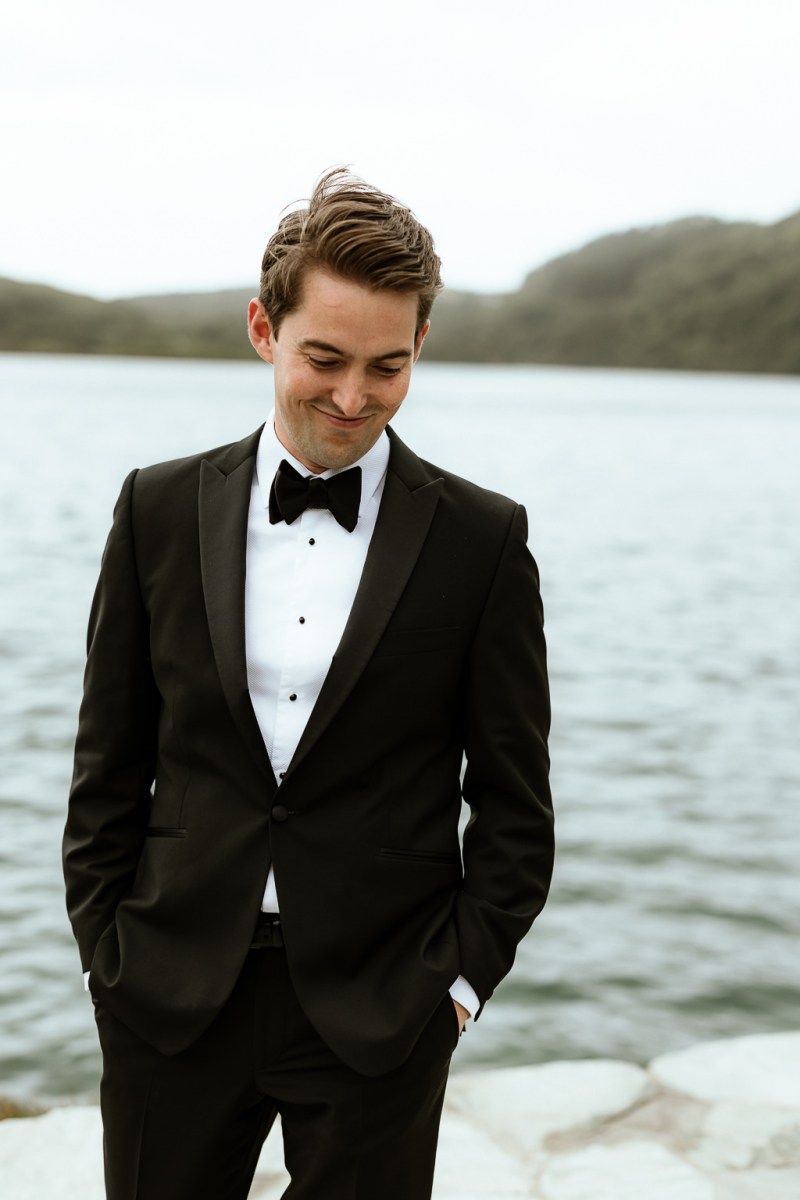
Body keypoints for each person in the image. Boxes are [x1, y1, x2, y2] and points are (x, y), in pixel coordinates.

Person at [63, 168, 554, 1200]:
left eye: (387, 366)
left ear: (419, 346)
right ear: (262, 329)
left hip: (384, 1006)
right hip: (169, 991)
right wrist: (108, 955)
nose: (350, 397)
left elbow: (514, 807)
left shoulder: (482, 540)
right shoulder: (153, 509)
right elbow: (108, 764)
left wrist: (455, 986)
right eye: (323, 358)